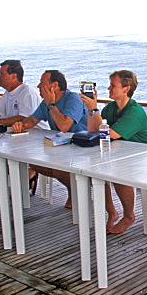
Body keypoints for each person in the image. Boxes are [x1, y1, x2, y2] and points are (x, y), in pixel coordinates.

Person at [81, 69, 147, 233]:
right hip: (122, 152)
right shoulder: (110, 108)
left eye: (112, 85)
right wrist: (90, 109)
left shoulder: (134, 111)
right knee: (93, 171)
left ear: (126, 89)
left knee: (120, 174)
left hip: (146, 156)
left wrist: (95, 110)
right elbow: (93, 130)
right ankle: (112, 212)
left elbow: (110, 134)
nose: (108, 89)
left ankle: (129, 216)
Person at [10, 69, 87, 207]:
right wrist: (20, 125)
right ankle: (75, 190)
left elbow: (64, 126)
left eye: (42, 83)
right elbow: (33, 119)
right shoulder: (46, 102)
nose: (39, 86)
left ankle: (77, 192)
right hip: (62, 145)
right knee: (35, 164)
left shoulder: (73, 99)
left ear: (54, 85)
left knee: (58, 169)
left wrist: (51, 105)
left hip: (81, 147)